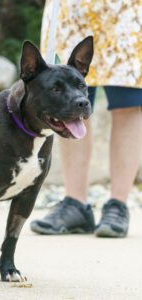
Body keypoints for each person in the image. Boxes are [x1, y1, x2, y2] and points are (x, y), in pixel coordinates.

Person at [30, 0, 142, 238]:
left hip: (128, 8)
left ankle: (118, 206)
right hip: (71, 8)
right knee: (66, 98)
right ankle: (75, 203)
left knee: (129, 100)